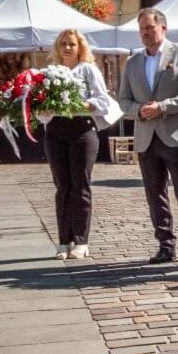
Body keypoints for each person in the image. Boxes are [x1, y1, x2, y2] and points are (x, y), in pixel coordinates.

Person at [117, 9, 178, 264]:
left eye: (150, 28)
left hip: (176, 135)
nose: (146, 33)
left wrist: (163, 107)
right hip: (146, 136)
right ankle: (166, 244)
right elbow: (123, 100)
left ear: (163, 29)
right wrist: (139, 111)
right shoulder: (133, 62)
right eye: (142, 29)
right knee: (154, 193)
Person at [40, 30, 116, 260]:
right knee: (62, 186)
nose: (67, 48)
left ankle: (81, 240)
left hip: (82, 129)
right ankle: (64, 240)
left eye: (71, 44)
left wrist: (83, 104)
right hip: (56, 130)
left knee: (80, 184)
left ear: (79, 47)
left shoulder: (88, 70)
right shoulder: (50, 72)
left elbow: (103, 101)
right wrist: (43, 110)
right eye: (63, 43)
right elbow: (42, 110)